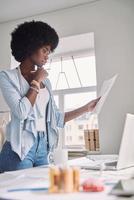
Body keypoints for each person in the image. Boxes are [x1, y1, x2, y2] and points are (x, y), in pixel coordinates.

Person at [0, 21, 100, 172]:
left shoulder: (46, 83)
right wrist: (36, 80)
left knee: (43, 193)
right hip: (18, 150)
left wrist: (87, 108)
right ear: (30, 46)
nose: (47, 56)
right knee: (19, 195)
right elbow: (21, 112)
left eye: (49, 52)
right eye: (45, 50)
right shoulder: (7, 77)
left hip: (43, 149)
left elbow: (56, 119)